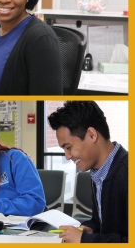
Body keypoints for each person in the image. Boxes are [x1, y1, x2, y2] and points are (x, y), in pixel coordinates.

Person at [47, 101, 127, 243]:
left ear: (91, 135)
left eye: (69, 147)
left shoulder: (127, 174)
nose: (67, 156)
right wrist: (90, 229)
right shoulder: (98, 173)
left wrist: (86, 240)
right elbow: (103, 224)